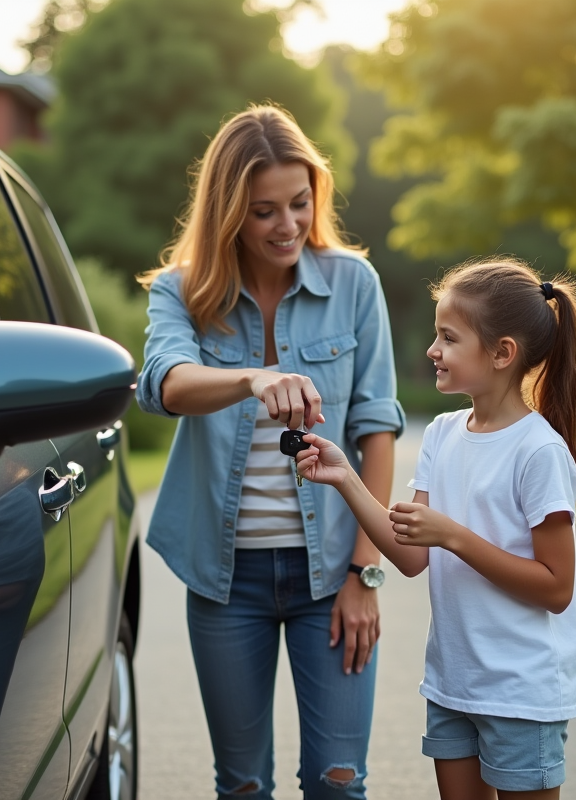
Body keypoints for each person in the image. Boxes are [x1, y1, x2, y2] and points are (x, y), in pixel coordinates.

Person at [135, 104, 405, 799]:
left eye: (298, 202)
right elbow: (166, 383)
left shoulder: (354, 285)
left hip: (330, 578)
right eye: (263, 211)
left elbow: (375, 428)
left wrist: (363, 577)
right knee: (244, 785)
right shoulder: (183, 291)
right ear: (228, 212)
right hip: (227, 585)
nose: (286, 225)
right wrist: (254, 377)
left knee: (338, 782)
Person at [294, 259, 576, 799]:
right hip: (455, 685)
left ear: (502, 353)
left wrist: (453, 535)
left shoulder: (539, 451)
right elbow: (412, 555)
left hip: (522, 695)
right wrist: (345, 478)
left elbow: (556, 588)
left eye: (448, 338)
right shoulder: (440, 433)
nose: (433, 350)